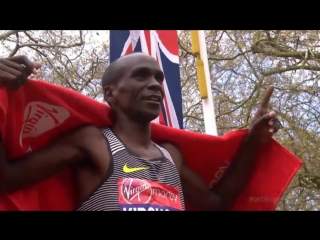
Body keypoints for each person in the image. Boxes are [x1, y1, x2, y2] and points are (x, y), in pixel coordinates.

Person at [0, 54, 280, 211]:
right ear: (111, 94)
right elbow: (8, 179)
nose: (155, 84)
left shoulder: (171, 156)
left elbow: (217, 204)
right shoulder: (93, 142)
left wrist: (252, 142)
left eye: (159, 78)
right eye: (141, 76)